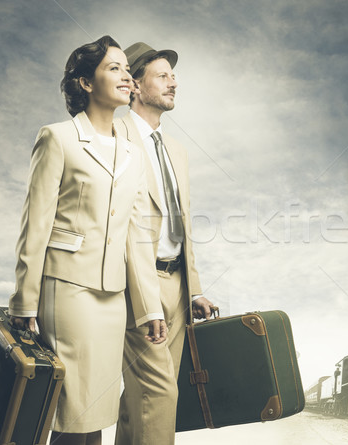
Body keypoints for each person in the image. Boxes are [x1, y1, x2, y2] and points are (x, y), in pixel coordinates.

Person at [8, 35, 166, 445]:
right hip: (68, 291)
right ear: (85, 83)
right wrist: (24, 300)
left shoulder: (133, 152)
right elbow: (35, 224)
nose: (126, 76)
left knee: (95, 410)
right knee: (69, 409)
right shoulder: (57, 137)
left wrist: (149, 309)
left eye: (126, 70)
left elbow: (136, 234)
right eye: (114, 68)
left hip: (113, 296)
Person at [114, 42, 213, 445]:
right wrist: (147, 300)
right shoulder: (114, 134)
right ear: (135, 84)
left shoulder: (176, 149)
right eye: (162, 76)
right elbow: (120, 225)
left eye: (173, 76)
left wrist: (195, 289)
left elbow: (181, 225)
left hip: (176, 285)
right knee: (160, 393)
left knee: (142, 399)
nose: (174, 83)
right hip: (137, 283)